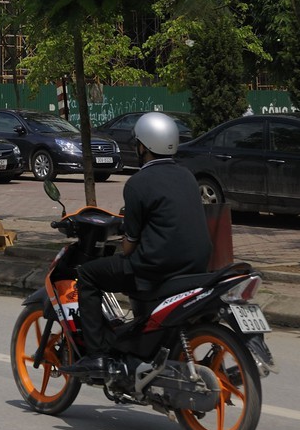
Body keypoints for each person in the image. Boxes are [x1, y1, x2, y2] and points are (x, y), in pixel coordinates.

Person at [68, 111, 211, 380]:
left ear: (143, 146)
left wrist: (124, 240)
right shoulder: (188, 176)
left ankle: (97, 355)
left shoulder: (138, 183)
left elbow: (129, 246)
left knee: (88, 274)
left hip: (156, 269)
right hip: (195, 266)